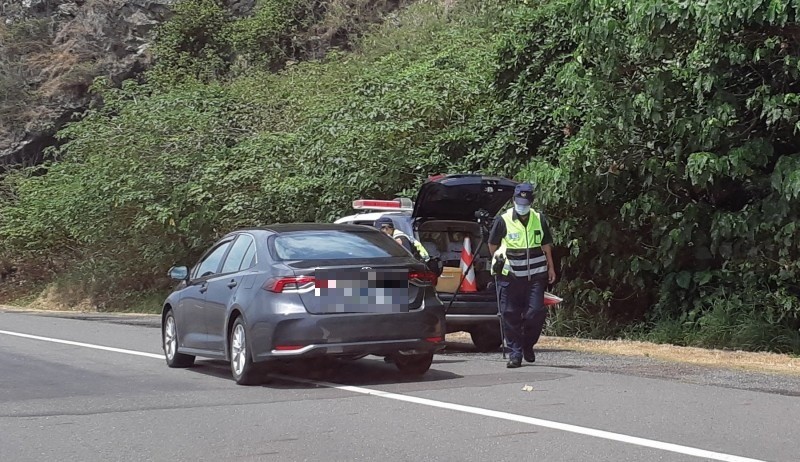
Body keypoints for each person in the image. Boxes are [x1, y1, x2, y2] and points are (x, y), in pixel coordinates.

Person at [488, 182, 556, 368]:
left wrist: (551, 267)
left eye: (525, 203)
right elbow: (492, 244)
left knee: (535, 313)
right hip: (510, 275)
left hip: (536, 275)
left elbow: (546, 244)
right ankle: (515, 353)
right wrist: (498, 258)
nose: (522, 206)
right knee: (510, 314)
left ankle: (528, 344)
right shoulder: (503, 219)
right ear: (514, 200)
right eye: (519, 202)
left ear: (531, 202)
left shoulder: (538, 218)